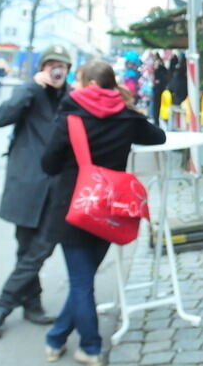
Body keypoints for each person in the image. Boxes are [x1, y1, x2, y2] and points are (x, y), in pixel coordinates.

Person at [40, 60, 166, 364]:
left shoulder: (71, 116)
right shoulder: (125, 116)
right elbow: (157, 136)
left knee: (81, 282)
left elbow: (48, 164)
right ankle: (56, 337)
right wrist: (131, 111)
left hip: (75, 207)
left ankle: (91, 347)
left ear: (88, 85)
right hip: (112, 209)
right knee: (83, 279)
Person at [0, 45, 72, 337]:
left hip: (57, 188)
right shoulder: (29, 92)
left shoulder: (72, 97)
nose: (57, 70)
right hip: (26, 184)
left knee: (42, 247)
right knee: (26, 249)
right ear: (42, 68)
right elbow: (0, 118)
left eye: (62, 66)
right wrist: (29, 88)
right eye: (51, 65)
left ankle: (1, 304)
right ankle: (32, 304)